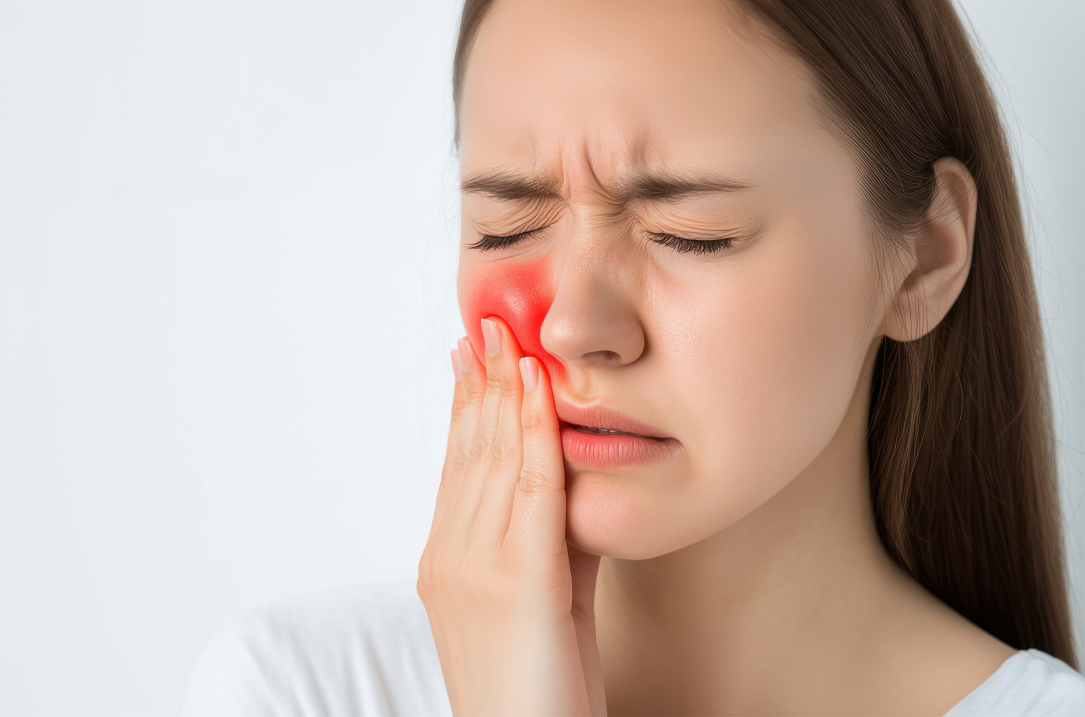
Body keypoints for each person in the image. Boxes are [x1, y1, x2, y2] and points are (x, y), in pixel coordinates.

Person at [181, 1, 1085, 714]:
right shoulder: (300, 692)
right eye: (508, 225)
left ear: (924, 257)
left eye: (691, 233)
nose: (576, 324)